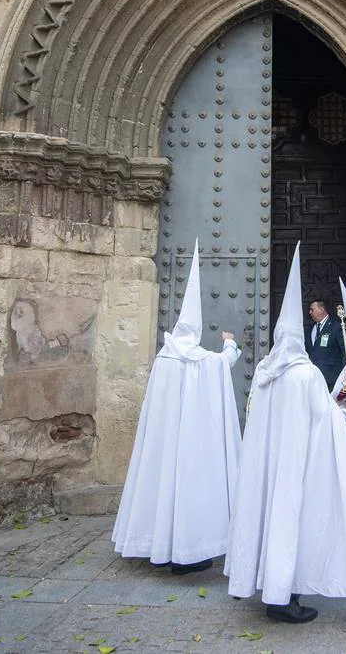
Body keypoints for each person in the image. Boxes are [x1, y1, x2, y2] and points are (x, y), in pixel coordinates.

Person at [224, 243, 346, 623]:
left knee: (269, 517)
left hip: (268, 465)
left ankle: (267, 584)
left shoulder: (264, 373)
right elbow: (324, 418)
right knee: (290, 519)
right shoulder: (306, 375)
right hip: (295, 466)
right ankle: (284, 596)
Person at [112, 238, 241, 573]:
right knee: (189, 487)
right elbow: (223, 363)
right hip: (193, 442)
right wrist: (230, 344)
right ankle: (188, 551)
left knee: (161, 481)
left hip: (166, 440)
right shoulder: (199, 358)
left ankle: (159, 543)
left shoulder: (164, 358)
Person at [305, 297, 346, 391]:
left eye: (312, 309)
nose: (310, 312)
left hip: (331, 379)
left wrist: (344, 375)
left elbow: (344, 351)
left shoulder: (336, 327)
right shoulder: (310, 328)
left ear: (321, 309)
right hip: (312, 378)